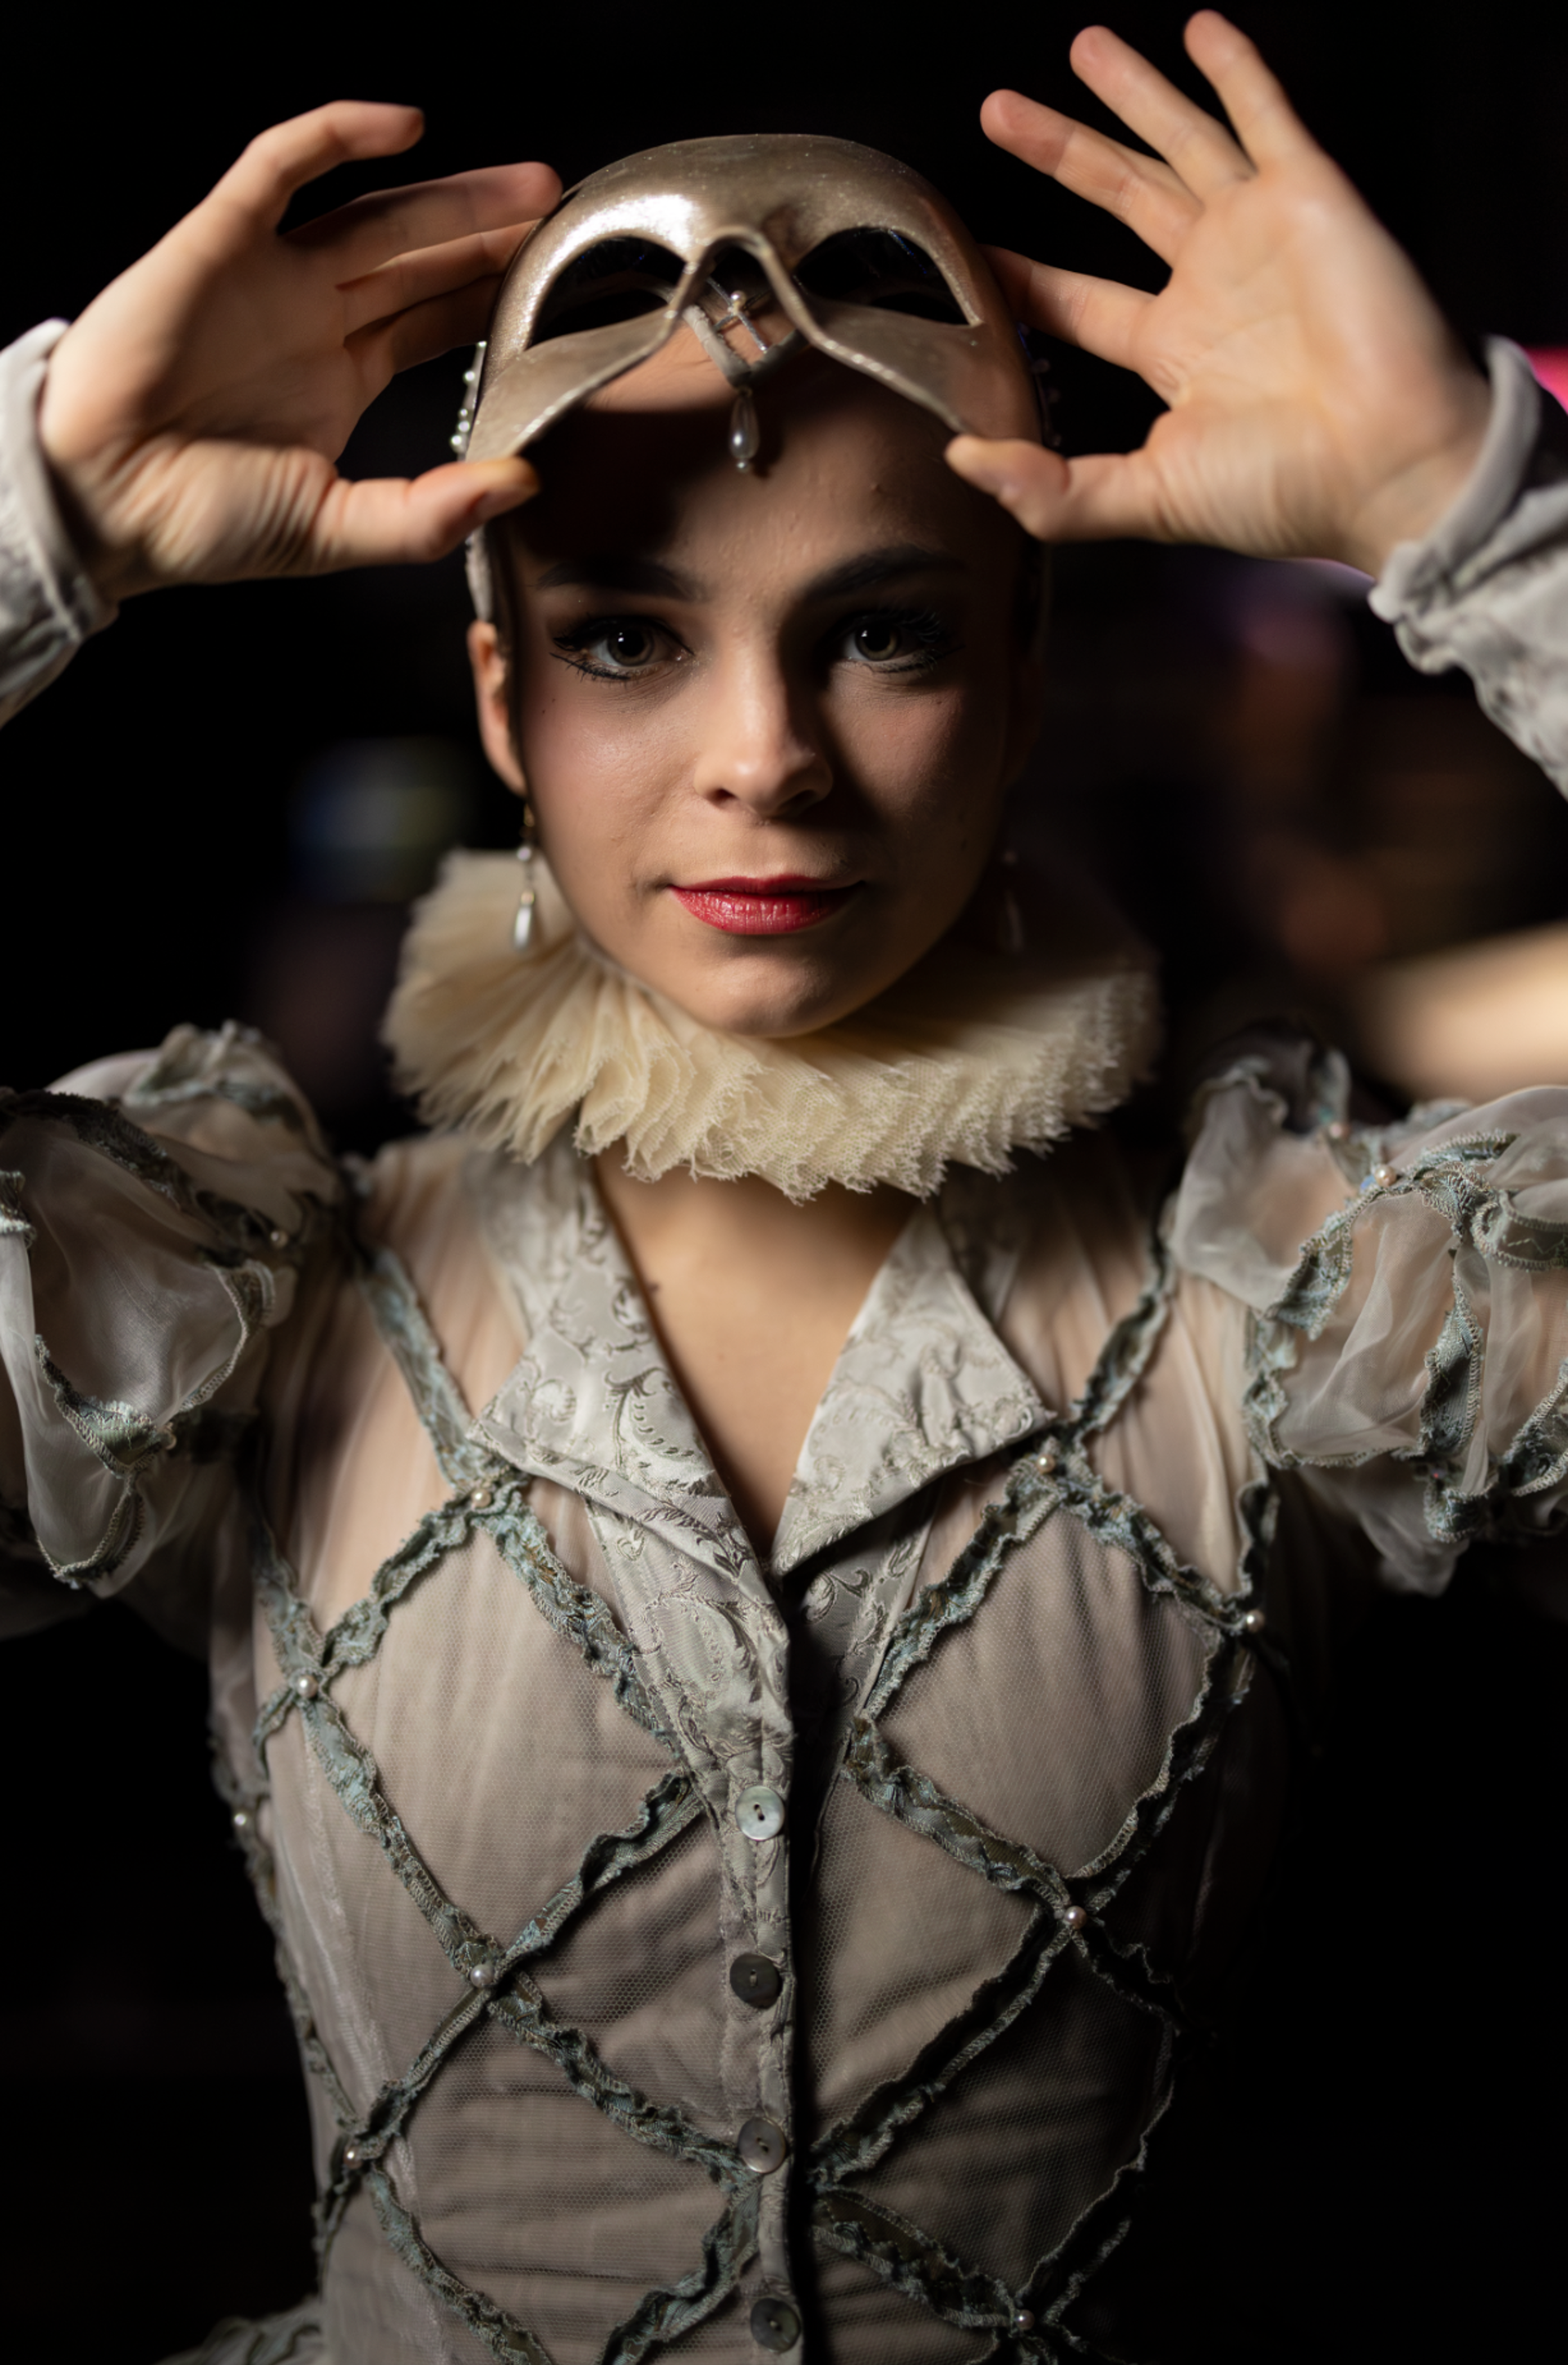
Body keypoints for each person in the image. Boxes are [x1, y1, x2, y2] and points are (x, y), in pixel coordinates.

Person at [2, 14, 1566, 2362]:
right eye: (632, 635)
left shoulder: (1307, 1304)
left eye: (887, 633)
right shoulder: (239, 1298)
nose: (765, 760)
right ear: (506, 700)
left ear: (1024, 680)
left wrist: (1478, 507)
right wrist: (42, 516)